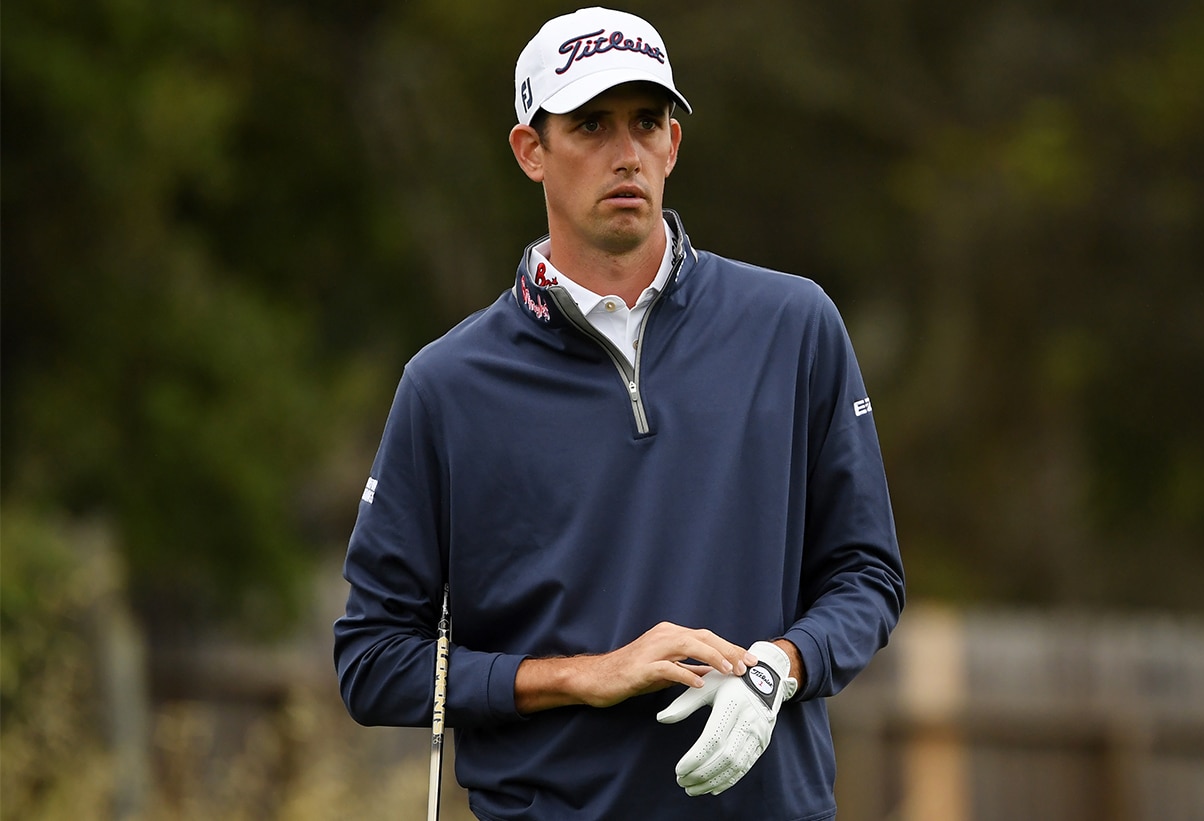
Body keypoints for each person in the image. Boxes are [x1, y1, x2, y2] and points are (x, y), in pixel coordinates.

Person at [333, 7, 905, 819]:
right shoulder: (447, 385)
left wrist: (782, 665)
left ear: (674, 144)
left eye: (646, 121)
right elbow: (373, 660)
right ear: (531, 150)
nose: (626, 152)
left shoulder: (793, 326)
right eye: (591, 125)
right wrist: (584, 675)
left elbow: (866, 573)